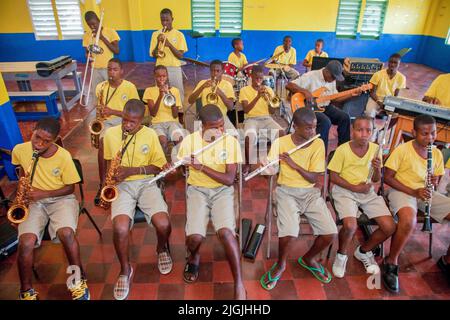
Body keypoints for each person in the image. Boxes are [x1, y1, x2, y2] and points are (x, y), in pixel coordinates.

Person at [12, 117, 89, 300]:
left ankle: (78, 282)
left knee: (66, 234)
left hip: (61, 199)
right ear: (33, 129)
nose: (39, 144)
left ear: (54, 140)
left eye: (46, 141)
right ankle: (26, 291)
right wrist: (19, 200)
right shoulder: (20, 150)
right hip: (33, 202)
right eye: (37, 137)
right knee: (25, 242)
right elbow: (23, 172)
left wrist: (43, 194)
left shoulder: (63, 156)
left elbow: (70, 188)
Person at [260, 108, 337, 290]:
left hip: (310, 193)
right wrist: (265, 168)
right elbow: (269, 174)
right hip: (286, 191)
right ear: (295, 126)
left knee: (330, 232)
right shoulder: (281, 143)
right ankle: (281, 264)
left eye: (314, 127)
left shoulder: (318, 144)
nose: (312, 131)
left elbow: (313, 178)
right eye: (308, 128)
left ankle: (308, 258)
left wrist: (293, 165)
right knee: (289, 233)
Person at [103, 99, 173, 300]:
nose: (127, 125)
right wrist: (106, 184)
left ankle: (161, 248)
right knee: (120, 228)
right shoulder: (110, 134)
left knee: (164, 224)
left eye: (133, 122)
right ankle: (125, 270)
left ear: (142, 120)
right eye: (125, 120)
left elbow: (157, 167)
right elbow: (107, 161)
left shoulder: (150, 135)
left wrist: (132, 171)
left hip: (146, 183)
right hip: (121, 186)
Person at [176, 105, 246, 300]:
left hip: (222, 192)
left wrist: (201, 167)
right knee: (195, 238)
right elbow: (181, 172)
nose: (219, 131)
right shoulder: (190, 141)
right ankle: (194, 255)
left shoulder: (229, 142)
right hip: (197, 191)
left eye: (221, 126)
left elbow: (228, 179)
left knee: (226, 233)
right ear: (202, 127)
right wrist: (178, 167)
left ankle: (239, 282)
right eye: (213, 127)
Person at [383, 115, 450, 292]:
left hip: (426, 193)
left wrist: (435, 181)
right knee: (408, 221)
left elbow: (437, 179)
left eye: (433, 133)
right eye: (424, 133)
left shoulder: (436, 153)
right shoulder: (402, 150)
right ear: (414, 133)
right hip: (402, 191)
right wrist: (414, 192)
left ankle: (447, 260)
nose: (430, 138)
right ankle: (391, 261)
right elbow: (387, 178)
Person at [328, 116, 396, 278]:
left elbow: (375, 180)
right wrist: (354, 187)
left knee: (390, 227)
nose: (364, 134)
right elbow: (333, 177)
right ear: (352, 131)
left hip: (367, 192)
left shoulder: (375, 149)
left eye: (369, 130)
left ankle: (364, 250)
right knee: (350, 226)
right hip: (345, 191)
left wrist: (377, 169)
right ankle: (341, 255)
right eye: (360, 130)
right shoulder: (343, 150)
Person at [93, 58, 139, 207]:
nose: (111, 72)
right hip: (105, 123)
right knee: (102, 143)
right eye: (109, 69)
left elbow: (136, 112)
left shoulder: (129, 87)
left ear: (121, 71)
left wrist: (113, 111)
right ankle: (102, 183)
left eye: (115, 69)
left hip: (123, 121)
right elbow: (98, 110)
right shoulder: (100, 87)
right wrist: (96, 128)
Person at [286, 60, 355, 151]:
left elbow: (334, 98)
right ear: (326, 71)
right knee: (325, 121)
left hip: (324, 106)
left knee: (345, 117)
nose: (334, 79)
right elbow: (289, 85)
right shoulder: (311, 76)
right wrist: (304, 91)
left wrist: (351, 94)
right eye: (333, 77)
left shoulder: (331, 79)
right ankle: (320, 153)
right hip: (308, 108)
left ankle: (343, 150)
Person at [239, 65, 284, 174]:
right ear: (251, 77)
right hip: (251, 119)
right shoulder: (244, 90)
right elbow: (246, 110)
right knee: (249, 137)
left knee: (281, 133)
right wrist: (257, 96)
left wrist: (269, 102)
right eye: (256, 78)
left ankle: (275, 162)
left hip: (266, 119)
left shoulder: (268, 90)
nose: (259, 81)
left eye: (260, 78)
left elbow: (272, 112)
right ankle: (248, 164)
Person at [143, 65, 187, 161]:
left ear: (167, 76)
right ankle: (162, 165)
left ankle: (182, 165)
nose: (161, 79)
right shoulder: (149, 91)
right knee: (162, 141)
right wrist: (160, 95)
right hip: (157, 124)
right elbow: (153, 113)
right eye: (159, 76)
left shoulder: (174, 91)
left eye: (164, 76)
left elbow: (175, 115)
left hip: (172, 122)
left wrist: (170, 95)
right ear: (155, 77)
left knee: (179, 139)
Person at [188, 60, 238, 135]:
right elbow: (190, 101)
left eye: (218, 71)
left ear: (222, 71)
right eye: (213, 71)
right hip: (205, 118)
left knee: (235, 136)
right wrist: (201, 87)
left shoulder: (227, 85)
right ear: (210, 71)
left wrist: (221, 93)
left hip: (222, 118)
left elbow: (231, 107)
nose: (215, 74)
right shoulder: (203, 83)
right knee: (197, 140)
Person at [150, 8, 188, 103]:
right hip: (160, 69)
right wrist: (158, 42)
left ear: (172, 19)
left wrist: (169, 44)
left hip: (174, 68)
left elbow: (180, 56)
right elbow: (153, 54)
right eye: (163, 20)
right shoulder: (155, 34)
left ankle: (179, 113)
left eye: (167, 20)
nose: (165, 23)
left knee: (178, 92)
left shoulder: (179, 35)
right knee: (161, 92)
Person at [82, 11, 120, 106]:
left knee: (111, 91)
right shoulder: (87, 35)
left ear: (99, 21)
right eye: (89, 25)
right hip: (95, 68)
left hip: (109, 69)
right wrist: (88, 55)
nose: (92, 27)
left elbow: (116, 51)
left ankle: (113, 109)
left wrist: (102, 38)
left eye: (94, 24)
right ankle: (100, 112)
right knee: (98, 93)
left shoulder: (110, 32)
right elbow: (87, 52)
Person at [365, 53, 406, 118]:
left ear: (399, 64)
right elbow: (372, 93)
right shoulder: (378, 74)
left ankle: (385, 127)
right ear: (388, 62)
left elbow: (396, 95)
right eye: (390, 62)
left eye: (395, 63)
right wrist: (379, 102)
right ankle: (371, 126)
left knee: (396, 115)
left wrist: (390, 104)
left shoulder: (402, 77)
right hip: (376, 99)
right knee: (369, 113)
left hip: (389, 101)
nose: (392, 64)